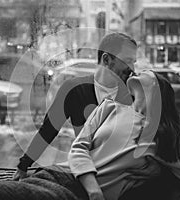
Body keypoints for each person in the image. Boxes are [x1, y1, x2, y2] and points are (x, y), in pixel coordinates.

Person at [13, 32, 138, 180]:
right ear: (106, 59)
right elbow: (48, 130)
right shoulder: (73, 90)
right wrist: (23, 166)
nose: (132, 68)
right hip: (88, 172)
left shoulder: (134, 93)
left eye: (133, 62)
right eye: (128, 60)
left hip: (125, 175)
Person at [68, 70, 180, 200]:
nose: (136, 70)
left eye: (146, 71)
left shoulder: (160, 135)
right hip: (69, 178)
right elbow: (78, 148)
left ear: (155, 86)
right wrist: (94, 191)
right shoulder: (108, 107)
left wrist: (162, 171)